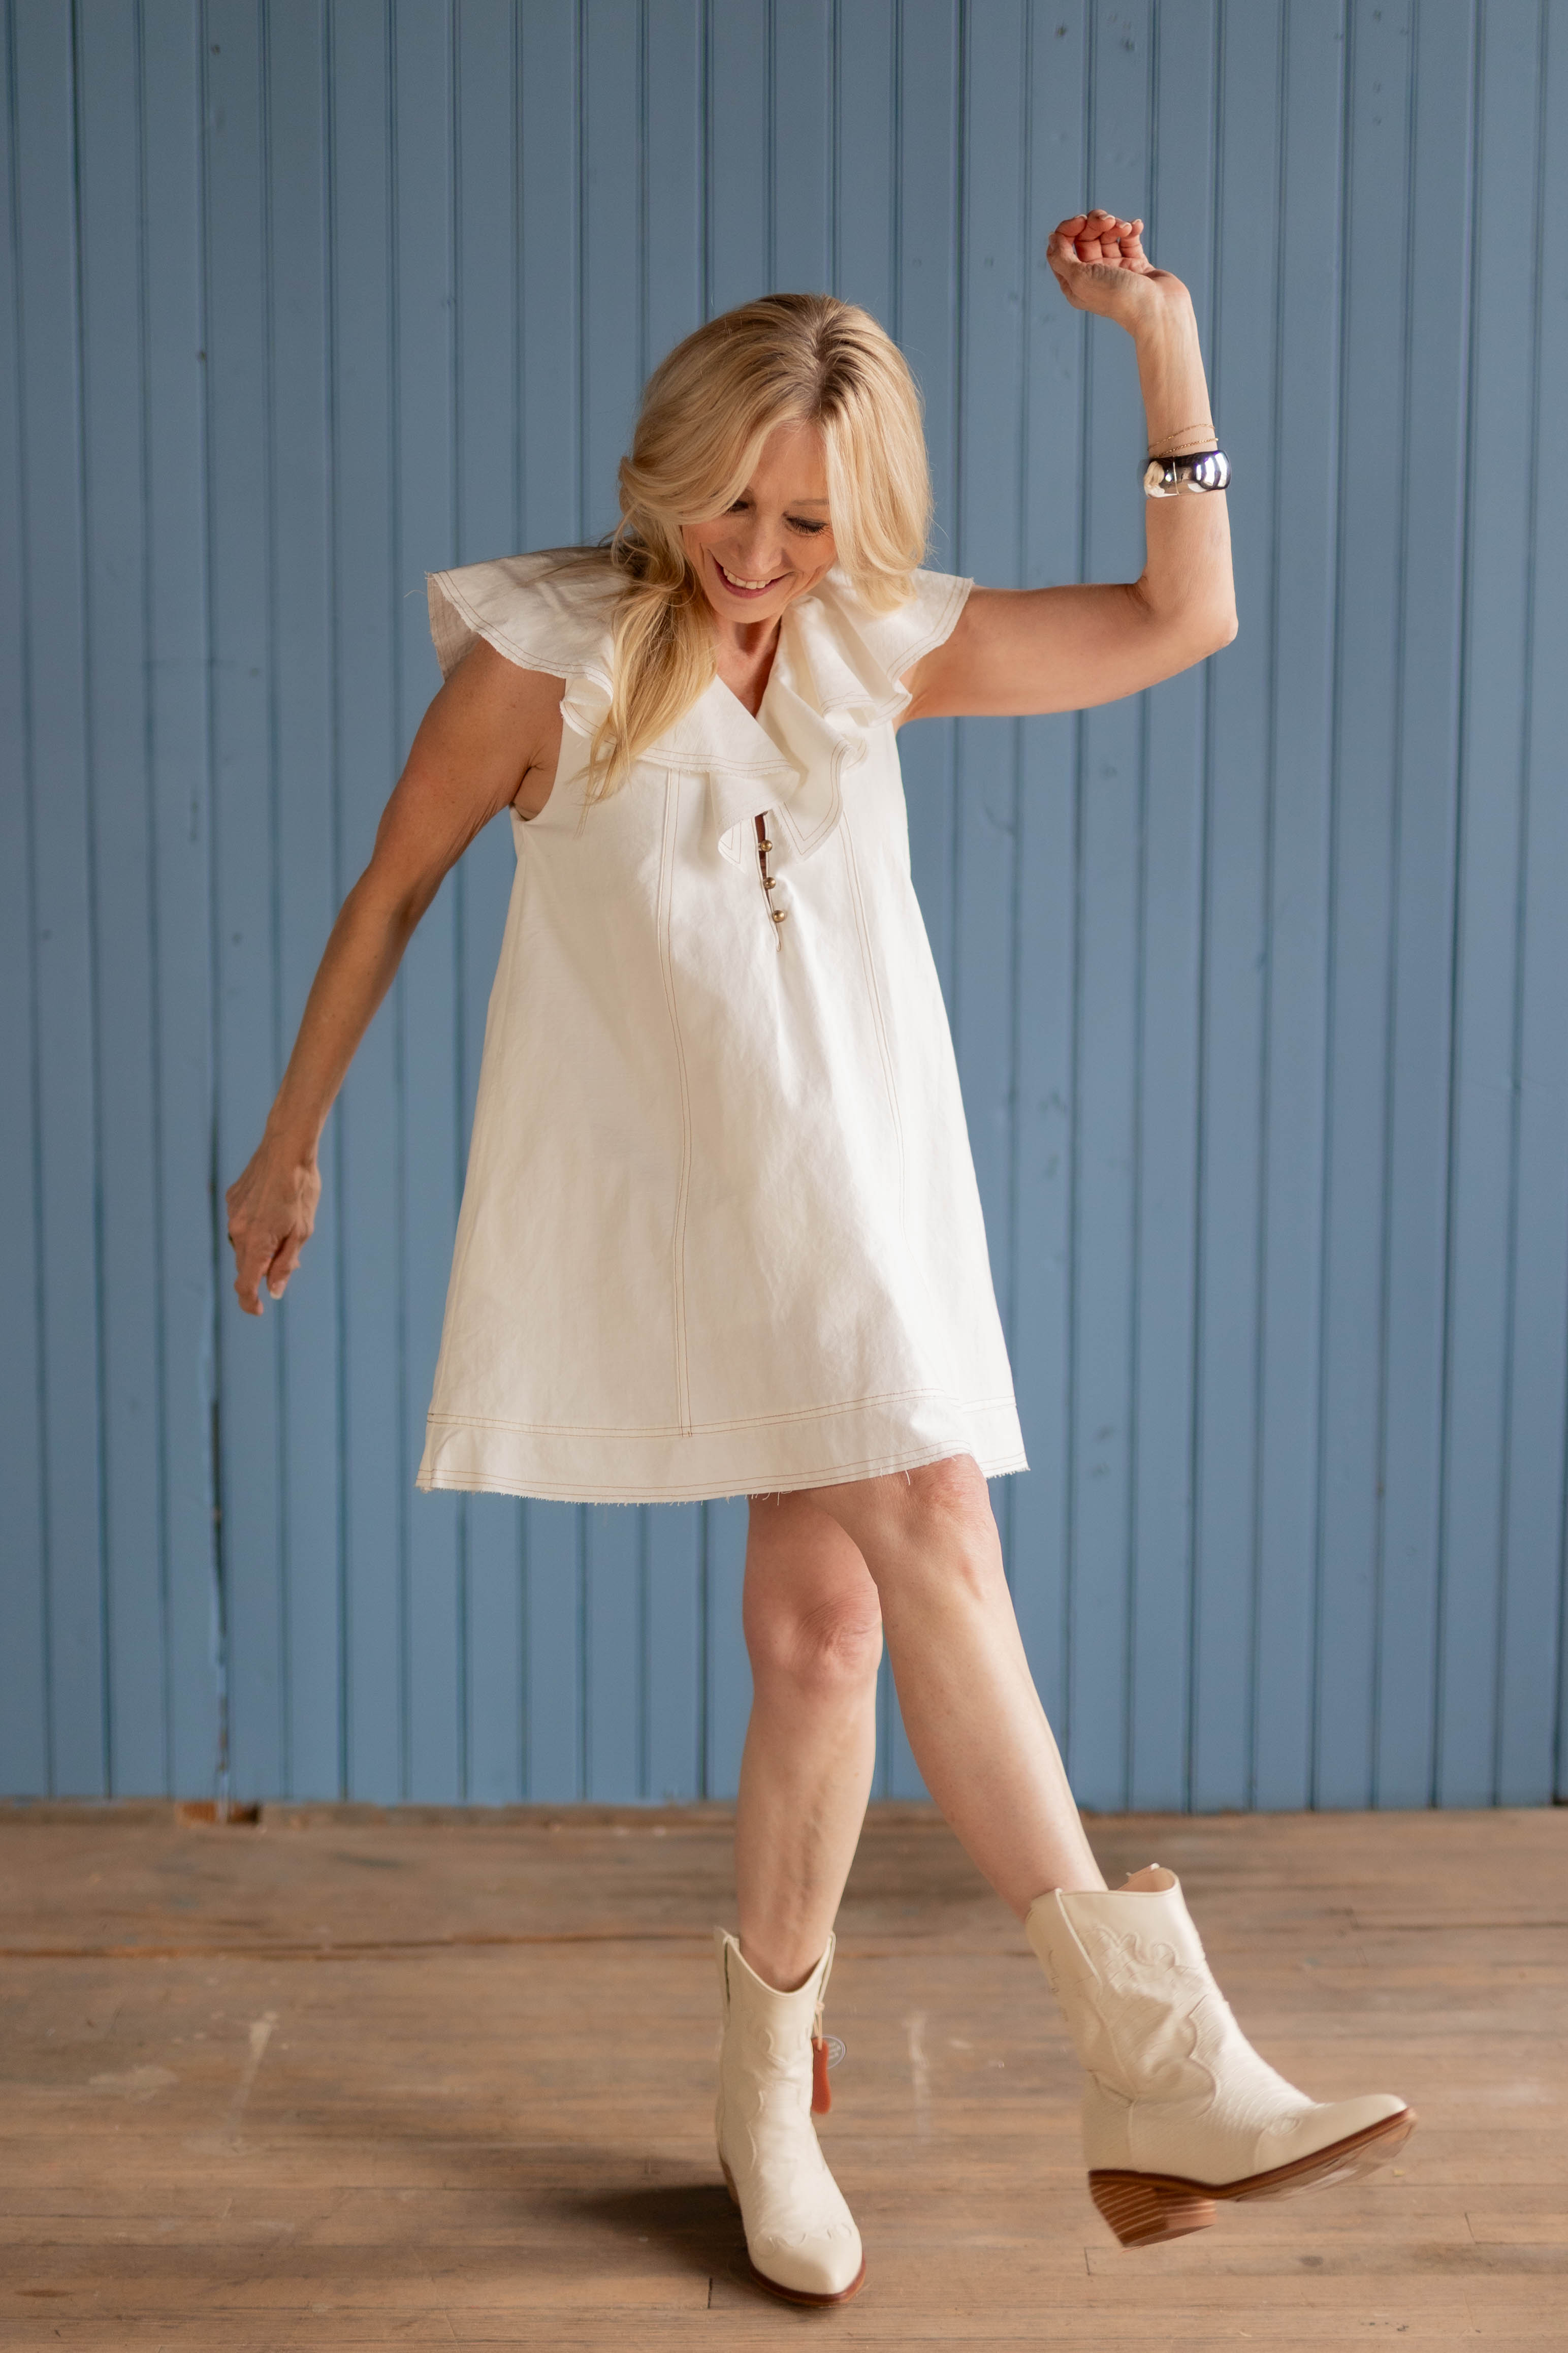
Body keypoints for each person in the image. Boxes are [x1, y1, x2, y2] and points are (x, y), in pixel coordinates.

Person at [226, 211, 1412, 2306]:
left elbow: (1186, 613)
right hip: (702, 1205)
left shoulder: (878, 642)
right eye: (733, 504)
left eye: (807, 517)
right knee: (935, 1522)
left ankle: (766, 2093)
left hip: (866, 1184)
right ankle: (1155, 2060)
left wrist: (1165, 340)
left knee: (825, 1639)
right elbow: (390, 892)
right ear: (663, 465)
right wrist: (289, 1140)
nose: (761, 555)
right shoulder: (541, 658)